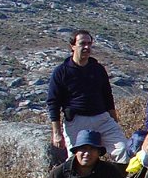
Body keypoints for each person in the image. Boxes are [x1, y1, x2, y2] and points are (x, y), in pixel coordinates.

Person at [47, 29, 128, 161]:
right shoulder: (61, 72)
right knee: (77, 160)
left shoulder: (98, 69)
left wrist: (114, 121)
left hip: (102, 119)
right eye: (82, 43)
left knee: (123, 150)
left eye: (89, 44)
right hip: (76, 121)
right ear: (72, 46)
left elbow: (107, 96)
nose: (86, 47)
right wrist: (57, 133)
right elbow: (53, 103)